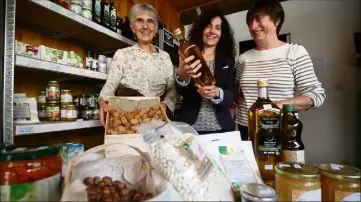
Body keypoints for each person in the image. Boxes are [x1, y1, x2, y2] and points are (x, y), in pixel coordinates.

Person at [235, 0, 326, 140]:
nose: (253, 26)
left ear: (277, 20)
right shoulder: (243, 58)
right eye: (250, 22)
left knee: (279, 163)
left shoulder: (294, 52)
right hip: (245, 130)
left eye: (259, 19)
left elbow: (316, 95)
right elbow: (236, 91)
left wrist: (277, 106)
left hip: (279, 128)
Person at [98, 3, 176, 126]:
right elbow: (109, 88)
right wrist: (103, 102)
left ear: (155, 29)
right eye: (140, 21)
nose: (145, 26)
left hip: (157, 119)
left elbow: (172, 90)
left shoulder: (165, 57)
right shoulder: (122, 55)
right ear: (133, 27)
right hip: (127, 119)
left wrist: (165, 105)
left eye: (150, 21)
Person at [175, 10, 236, 135]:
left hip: (221, 128)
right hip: (190, 128)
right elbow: (180, 92)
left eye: (217, 28)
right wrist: (182, 74)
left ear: (222, 33)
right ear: (201, 29)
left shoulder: (228, 60)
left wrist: (217, 92)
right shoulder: (188, 54)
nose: (212, 31)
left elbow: (231, 94)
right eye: (208, 26)